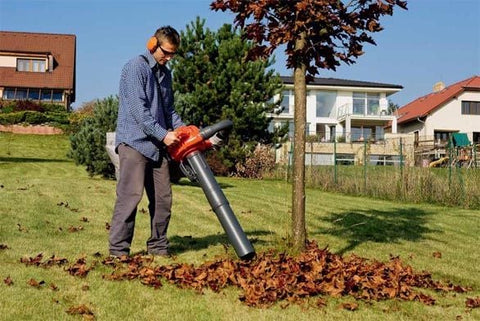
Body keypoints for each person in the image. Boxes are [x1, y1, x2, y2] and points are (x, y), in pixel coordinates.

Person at [109, 26, 184, 257]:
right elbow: (140, 113)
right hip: (134, 142)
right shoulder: (135, 68)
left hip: (157, 147)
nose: (169, 58)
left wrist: (183, 130)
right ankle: (119, 251)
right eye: (166, 52)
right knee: (130, 196)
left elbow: (169, 110)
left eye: (173, 54)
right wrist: (164, 134)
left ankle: (158, 247)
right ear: (153, 44)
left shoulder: (165, 74)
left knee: (163, 200)